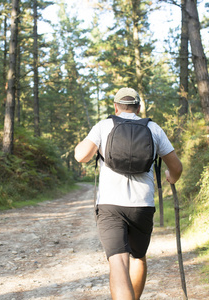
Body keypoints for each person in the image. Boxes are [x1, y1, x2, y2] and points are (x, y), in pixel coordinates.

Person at [74, 87, 182, 300]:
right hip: (143, 205)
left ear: (116, 107)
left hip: (110, 205)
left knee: (118, 261)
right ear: (139, 107)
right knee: (138, 257)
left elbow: (81, 156)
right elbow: (176, 168)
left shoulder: (104, 125)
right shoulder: (153, 128)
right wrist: (171, 177)